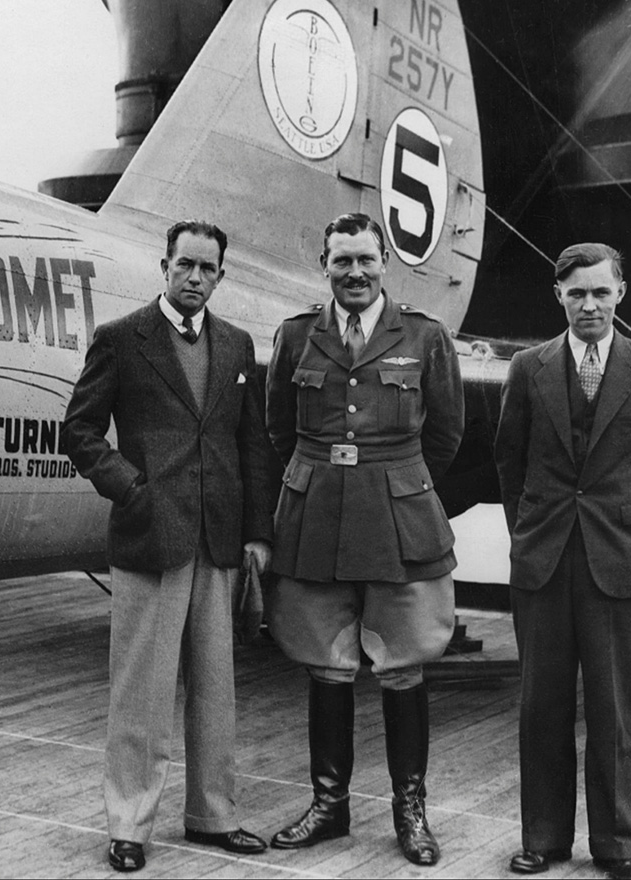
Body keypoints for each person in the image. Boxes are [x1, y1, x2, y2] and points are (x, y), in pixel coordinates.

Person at [63, 220, 276, 872]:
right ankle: (129, 822)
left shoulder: (238, 347)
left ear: (220, 276)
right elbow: (80, 430)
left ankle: (213, 815)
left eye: (206, 269)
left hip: (218, 542)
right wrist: (131, 489)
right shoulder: (123, 340)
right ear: (164, 265)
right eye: (184, 265)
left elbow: (252, 447)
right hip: (151, 539)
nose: (194, 278)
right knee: (141, 693)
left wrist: (258, 535)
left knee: (217, 690)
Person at [264, 212, 464, 866]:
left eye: (365, 261)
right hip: (316, 515)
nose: (354, 272)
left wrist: (395, 483)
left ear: (386, 265)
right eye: (342, 260)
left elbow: (446, 435)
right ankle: (330, 805)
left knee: (404, 663)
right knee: (326, 662)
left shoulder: (427, 336)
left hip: (399, 518)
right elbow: (277, 430)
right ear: (324, 264)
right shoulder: (296, 336)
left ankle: (410, 809)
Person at [494, 243, 631, 880]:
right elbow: (508, 462)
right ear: (559, 297)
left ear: (620, 293)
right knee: (541, 705)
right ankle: (543, 838)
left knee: (613, 709)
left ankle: (616, 847)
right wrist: (528, 530)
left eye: (601, 292)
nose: (589, 305)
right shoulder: (528, 367)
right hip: (544, 560)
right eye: (577, 293)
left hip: (617, 559)